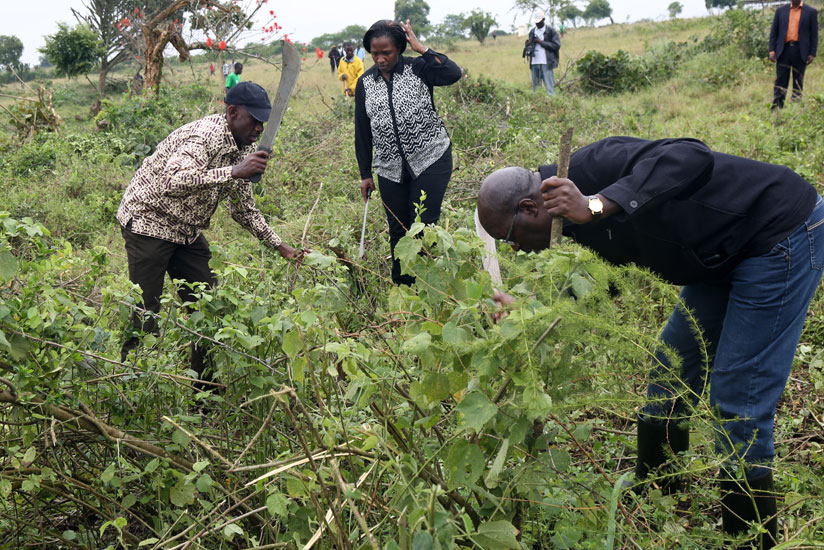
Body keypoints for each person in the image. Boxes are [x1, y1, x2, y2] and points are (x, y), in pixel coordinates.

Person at [477, 136, 824, 549]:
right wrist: (532, 308)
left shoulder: (592, 168)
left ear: (529, 208)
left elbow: (691, 155)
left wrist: (596, 204)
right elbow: (605, 276)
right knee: (669, 367)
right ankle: (661, 499)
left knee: (738, 401)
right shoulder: (563, 226)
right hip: (715, 257)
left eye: (511, 236)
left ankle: (751, 540)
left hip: (775, 234)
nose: (514, 249)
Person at [117, 82, 304, 387]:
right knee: (146, 311)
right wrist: (232, 171)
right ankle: (128, 388)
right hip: (149, 223)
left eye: (262, 123)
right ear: (232, 112)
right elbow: (171, 182)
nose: (259, 128)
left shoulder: (244, 148)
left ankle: (203, 397)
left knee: (208, 310)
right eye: (254, 120)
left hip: (186, 232)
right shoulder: (203, 137)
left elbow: (243, 210)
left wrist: (281, 247)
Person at [355, 20, 462, 285]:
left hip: (431, 158)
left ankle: (427, 286)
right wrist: (365, 173)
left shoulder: (419, 68)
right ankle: (402, 289)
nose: (380, 59)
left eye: (386, 53)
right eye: (374, 53)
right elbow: (362, 131)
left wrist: (422, 48)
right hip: (389, 169)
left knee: (423, 226)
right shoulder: (365, 83)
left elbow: (453, 73)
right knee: (398, 230)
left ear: (400, 48)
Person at [769, 0, 818, 109]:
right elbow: (774, 32)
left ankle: (795, 110)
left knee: (798, 81)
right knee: (781, 81)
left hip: (801, 51)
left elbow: (814, 35)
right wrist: (772, 51)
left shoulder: (811, 11)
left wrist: (812, 53)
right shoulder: (780, 11)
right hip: (783, 50)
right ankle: (776, 109)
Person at [526, 10, 561, 96]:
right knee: (536, 89)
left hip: (546, 62)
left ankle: (553, 106)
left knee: (549, 88)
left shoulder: (551, 31)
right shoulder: (532, 31)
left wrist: (541, 42)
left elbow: (557, 45)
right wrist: (528, 44)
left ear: (543, 19)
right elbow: (530, 46)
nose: (537, 24)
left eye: (539, 22)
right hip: (534, 62)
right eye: (535, 22)